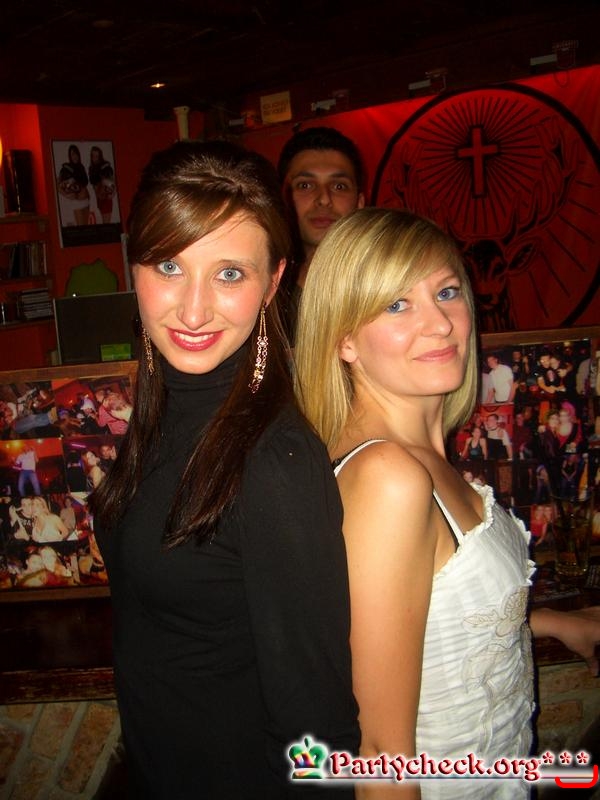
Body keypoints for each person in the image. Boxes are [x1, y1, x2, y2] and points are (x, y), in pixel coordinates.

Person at [294, 207, 600, 799]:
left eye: (447, 292)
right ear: (344, 339)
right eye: (397, 304)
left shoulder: (415, 457)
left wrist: (551, 622)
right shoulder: (388, 478)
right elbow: (380, 755)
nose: (439, 323)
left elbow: (424, 622)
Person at [89, 140, 359, 799]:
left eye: (230, 274)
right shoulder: (165, 404)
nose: (193, 310)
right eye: (169, 265)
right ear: (133, 265)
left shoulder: (275, 462)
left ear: (273, 281)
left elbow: (318, 729)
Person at [277, 126, 366, 341]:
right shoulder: (264, 297)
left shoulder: (389, 286)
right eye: (305, 185)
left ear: (360, 203)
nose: (324, 199)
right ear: (282, 200)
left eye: (339, 186)